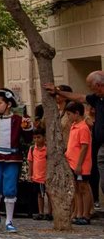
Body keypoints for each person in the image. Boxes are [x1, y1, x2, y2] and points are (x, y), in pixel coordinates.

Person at [44, 71, 104, 208]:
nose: (90, 90)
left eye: (91, 87)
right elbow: (79, 97)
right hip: (101, 147)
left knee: (84, 185)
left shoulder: (81, 126)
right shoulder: (96, 99)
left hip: (85, 155)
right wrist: (58, 91)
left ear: (100, 85)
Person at [0, 88, 33, 233]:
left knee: (10, 189)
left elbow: (28, 140)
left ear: (9, 104)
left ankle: (9, 220)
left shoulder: (18, 120)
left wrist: (28, 128)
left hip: (13, 159)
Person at [64, 101, 93, 225]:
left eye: (69, 114)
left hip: (80, 164)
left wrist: (79, 164)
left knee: (83, 188)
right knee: (76, 188)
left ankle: (86, 214)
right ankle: (78, 213)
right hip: (72, 163)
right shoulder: (74, 126)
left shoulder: (83, 127)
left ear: (77, 113)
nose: (68, 117)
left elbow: (84, 147)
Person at [27, 126, 51, 220]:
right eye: (35, 137)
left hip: (46, 176)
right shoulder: (32, 149)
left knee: (49, 195)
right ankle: (40, 212)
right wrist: (30, 174)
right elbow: (30, 162)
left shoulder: (48, 149)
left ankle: (50, 213)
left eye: (39, 137)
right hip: (37, 177)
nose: (37, 139)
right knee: (39, 195)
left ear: (44, 137)